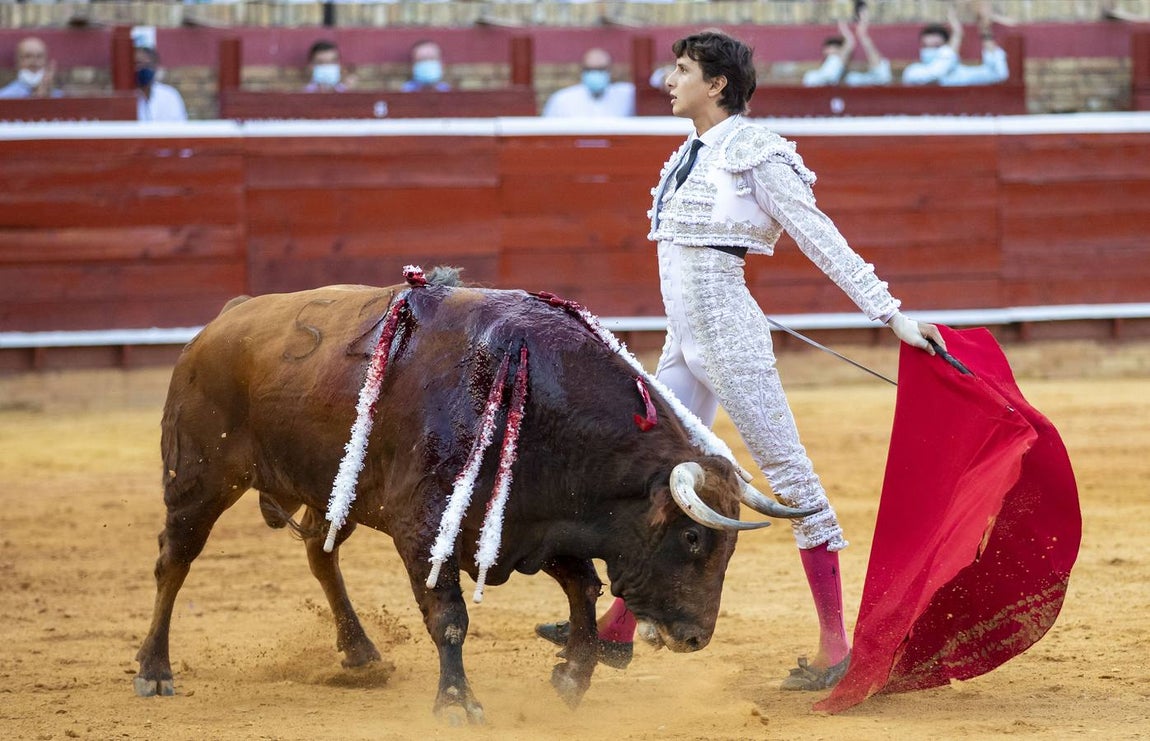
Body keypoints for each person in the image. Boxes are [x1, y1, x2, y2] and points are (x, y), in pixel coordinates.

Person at [535, 29, 945, 691]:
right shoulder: (687, 154)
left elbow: (821, 237)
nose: (669, 80)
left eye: (683, 69)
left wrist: (891, 313)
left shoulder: (758, 152)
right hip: (685, 341)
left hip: (728, 336)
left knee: (791, 478)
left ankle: (836, 645)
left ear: (718, 84)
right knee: (655, 473)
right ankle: (615, 630)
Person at [902, 4, 1008, 86]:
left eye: (938, 46)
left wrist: (985, 31)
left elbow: (998, 73)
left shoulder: (959, 75)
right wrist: (957, 35)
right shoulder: (913, 71)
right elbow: (937, 72)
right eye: (928, 46)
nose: (933, 41)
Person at [542, 47, 635, 118]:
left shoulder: (627, 95)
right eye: (590, 69)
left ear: (611, 70)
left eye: (601, 69)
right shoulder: (562, 99)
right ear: (582, 71)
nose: (595, 74)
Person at [134, 46, 187, 122]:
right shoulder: (127, 98)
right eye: (139, 64)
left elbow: (180, 126)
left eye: (148, 65)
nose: (143, 68)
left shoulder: (169, 95)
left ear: (155, 66)